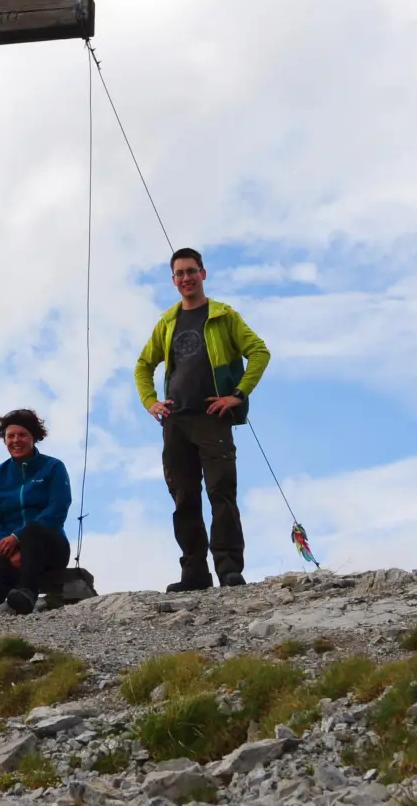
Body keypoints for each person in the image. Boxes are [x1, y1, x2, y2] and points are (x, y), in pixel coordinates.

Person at [134, 247, 271, 592]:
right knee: (184, 498)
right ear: (173, 280)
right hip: (175, 422)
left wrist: (237, 395)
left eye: (191, 271)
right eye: (179, 273)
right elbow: (143, 365)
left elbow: (259, 352)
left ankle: (229, 570)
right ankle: (194, 573)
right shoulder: (167, 321)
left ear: (203, 274)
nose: (186, 278)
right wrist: (150, 402)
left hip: (213, 418)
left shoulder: (224, 316)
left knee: (221, 493)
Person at [0, 409, 73, 617]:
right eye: (10, 436)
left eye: (22, 435)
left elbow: (57, 510)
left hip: (51, 548)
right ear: (4, 440)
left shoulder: (53, 467)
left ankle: (27, 594)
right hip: (12, 550)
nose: (16, 440)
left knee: (33, 530)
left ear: (33, 437)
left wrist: (18, 538)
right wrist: (10, 545)